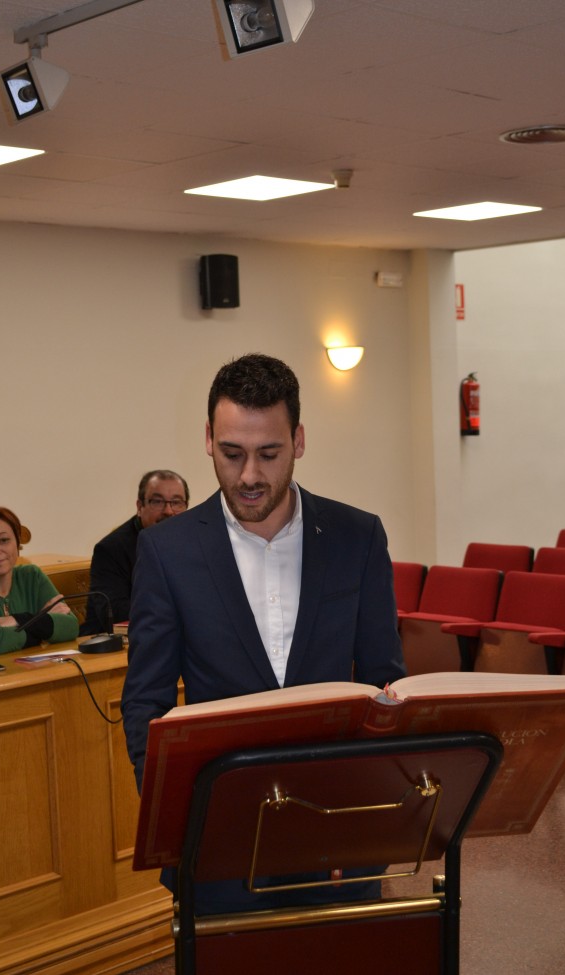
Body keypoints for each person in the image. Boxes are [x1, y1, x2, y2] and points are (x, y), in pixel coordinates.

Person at [121, 353, 405, 914]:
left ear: (298, 440)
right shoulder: (166, 552)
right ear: (208, 440)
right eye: (232, 453)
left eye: (269, 454)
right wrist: (176, 822)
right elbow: (146, 703)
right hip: (218, 846)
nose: (249, 475)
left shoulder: (358, 537)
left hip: (338, 841)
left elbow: (384, 686)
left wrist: (370, 822)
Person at [81, 469, 189, 633]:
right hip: (114, 641)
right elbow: (115, 612)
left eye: (176, 502)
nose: (168, 511)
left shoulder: (195, 542)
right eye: (157, 502)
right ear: (140, 507)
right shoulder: (111, 549)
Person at [0, 505, 79, 655]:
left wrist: (12, 621)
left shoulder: (31, 576)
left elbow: (70, 627)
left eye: (3, 540)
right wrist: (41, 621)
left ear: (17, 542)